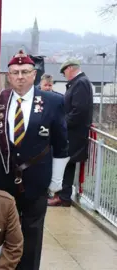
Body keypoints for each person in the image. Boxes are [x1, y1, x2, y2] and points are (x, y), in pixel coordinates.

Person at [0, 50, 69, 270]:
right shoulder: (0, 101)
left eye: (25, 72)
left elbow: (62, 144)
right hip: (4, 178)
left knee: (32, 234)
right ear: (9, 75)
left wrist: (56, 181)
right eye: (15, 72)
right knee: (2, 232)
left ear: (34, 74)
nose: (20, 77)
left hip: (37, 179)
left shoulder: (53, 101)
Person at [48, 59, 93, 207]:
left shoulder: (80, 83)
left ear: (71, 68)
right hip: (73, 132)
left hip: (74, 133)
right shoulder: (79, 83)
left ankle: (63, 196)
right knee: (67, 164)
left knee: (66, 163)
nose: (64, 74)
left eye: (64, 71)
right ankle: (63, 196)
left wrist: (62, 124)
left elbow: (78, 111)